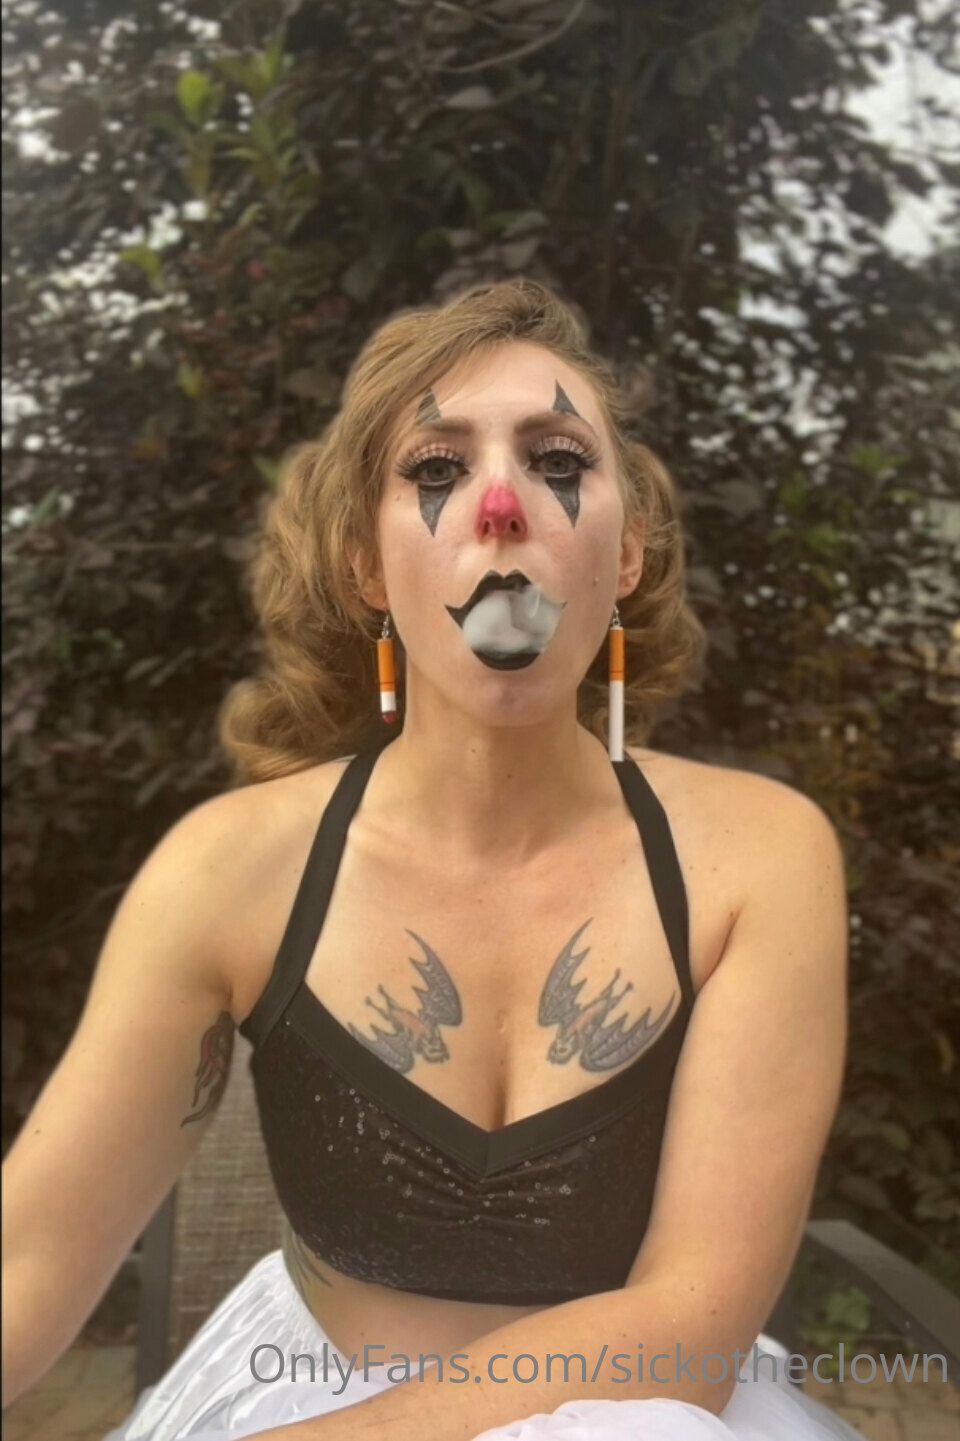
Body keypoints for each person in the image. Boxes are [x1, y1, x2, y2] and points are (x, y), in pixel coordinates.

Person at [2, 280, 864, 1439]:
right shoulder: (228, 873)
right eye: (436, 468)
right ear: (367, 563)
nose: (500, 505)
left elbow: (690, 1327)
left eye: (558, 459)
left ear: (626, 554)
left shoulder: (757, 857)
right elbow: (27, 1261)